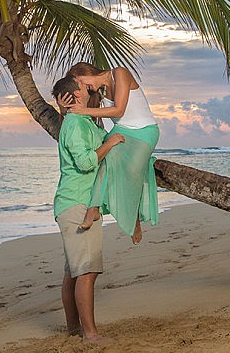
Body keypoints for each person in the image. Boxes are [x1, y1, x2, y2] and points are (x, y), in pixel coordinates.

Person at [52, 74, 125, 344]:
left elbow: (104, 135)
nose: (89, 86)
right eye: (84, 86)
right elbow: (85, 162)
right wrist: (110, 143)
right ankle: (90, 335)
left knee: (74, 270)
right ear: (75, 95)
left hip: (75, 201)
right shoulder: (75, 125)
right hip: (77, 203)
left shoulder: (84, 122)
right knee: (86, 270)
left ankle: (73, 328)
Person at [58, 62, 159, 245]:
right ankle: (93, 209)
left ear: (85, 72)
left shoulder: (120, 73)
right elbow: (84, 124)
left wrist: (82, 109)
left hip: (144, 131)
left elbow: (119, 109)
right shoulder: (98, 93)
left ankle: (134, 217)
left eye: (81, 83)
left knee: (132, 170)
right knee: (106, 154)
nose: (84, 89)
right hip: (122, 130)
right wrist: (64, 109)